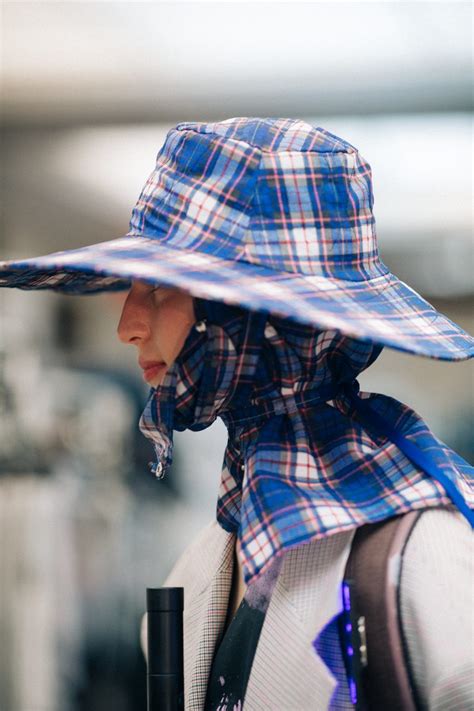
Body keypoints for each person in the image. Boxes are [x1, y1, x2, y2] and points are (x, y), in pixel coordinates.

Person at [1, 117, 473, 710]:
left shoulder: (429, 566)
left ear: (258, 319)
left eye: (157, 289)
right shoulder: (199, 570)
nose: (127, 325)